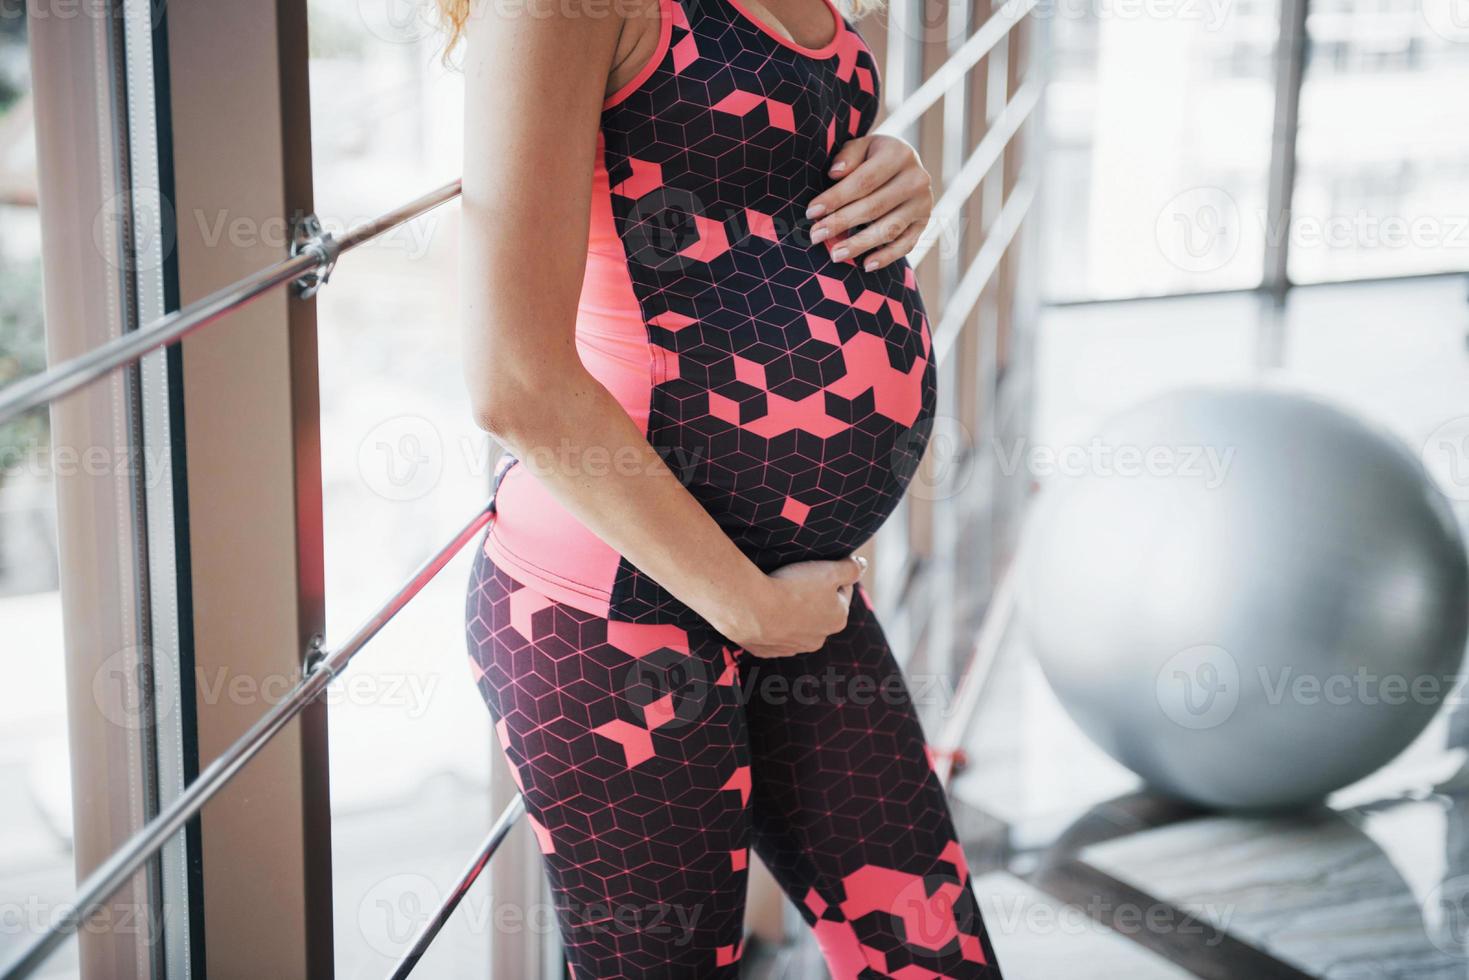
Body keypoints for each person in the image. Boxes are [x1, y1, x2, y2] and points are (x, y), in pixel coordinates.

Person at [444, 0, 1004, 974]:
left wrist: (890, 164)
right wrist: (747, 605)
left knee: (932, 956)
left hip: (790, 594)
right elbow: (514, 381)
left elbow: (739, 157)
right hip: (617, 617)